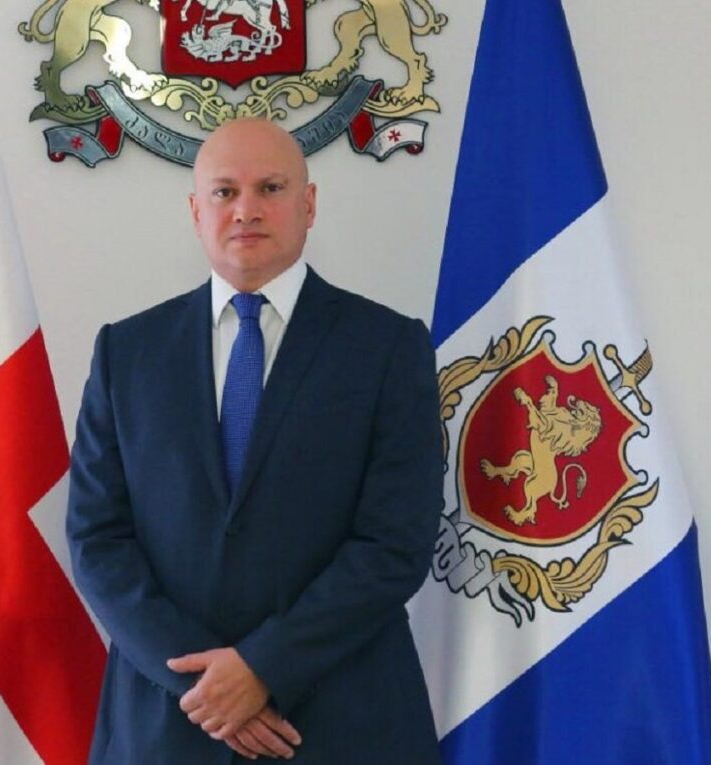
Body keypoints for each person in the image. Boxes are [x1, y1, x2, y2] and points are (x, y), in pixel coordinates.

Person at [67, 118, 443, 764]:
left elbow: (395, 541)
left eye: (270, 187)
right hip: (166, 725)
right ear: (196, 211)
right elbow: (97, 540)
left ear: (309, 204)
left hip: (342, 723)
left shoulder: (388, 347)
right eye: (224, 192)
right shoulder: (126, 353)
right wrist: (209, 687)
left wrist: (265, 666)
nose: (246, 210)